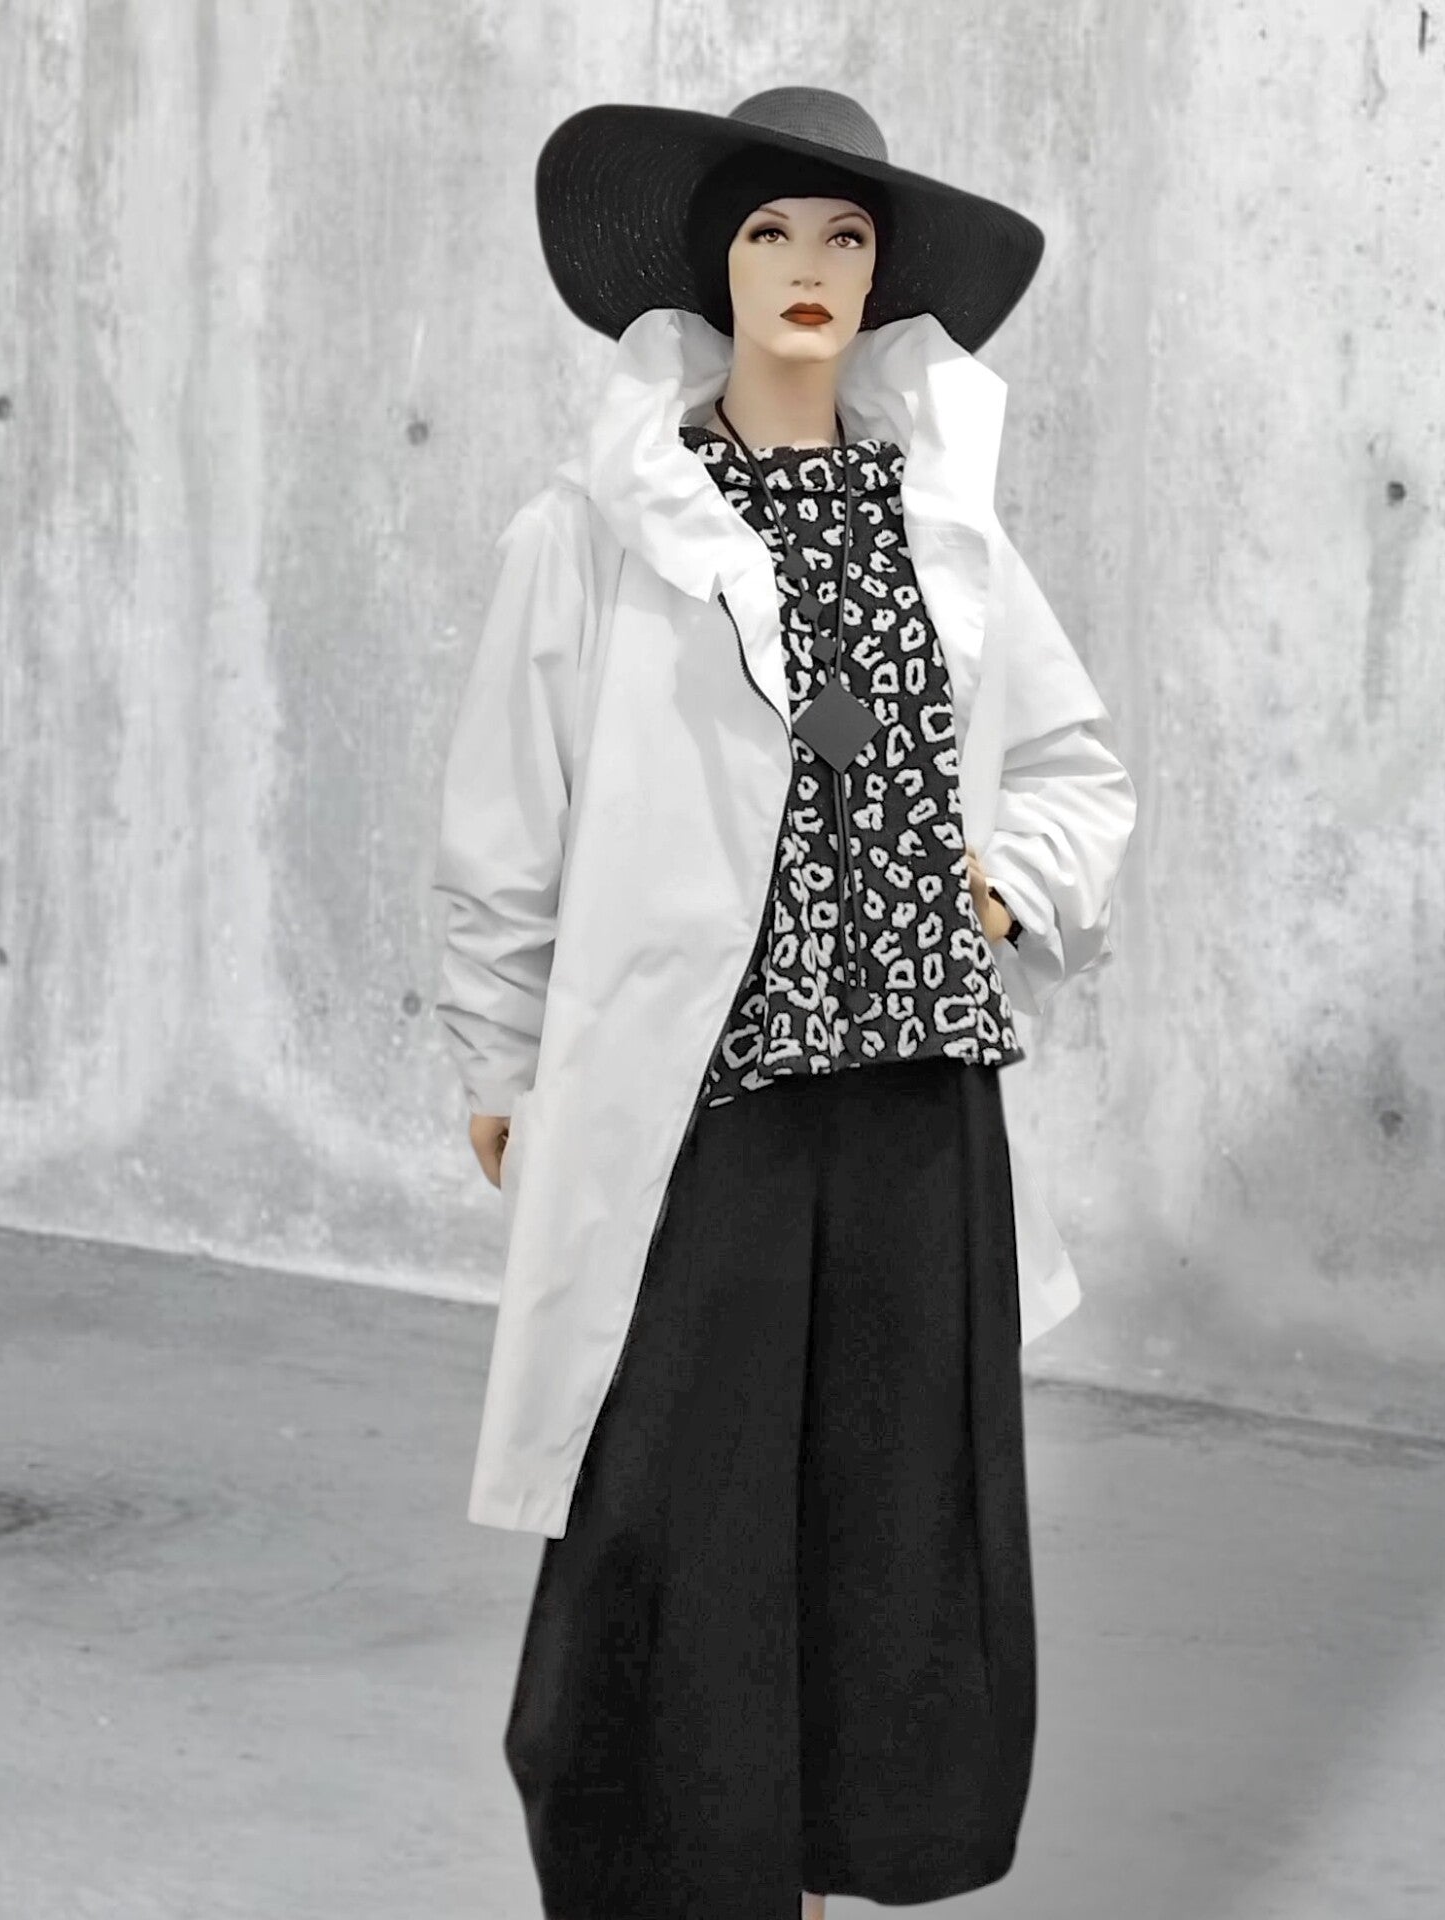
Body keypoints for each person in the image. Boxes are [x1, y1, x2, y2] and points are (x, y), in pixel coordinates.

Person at [431, 85, 1137, 1919]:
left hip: (918, 1101)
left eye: (844, 238)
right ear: (715, 270)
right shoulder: (599, 532)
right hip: (711, 1107)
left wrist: (1001, 885)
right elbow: (509, 821)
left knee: (889, 1526)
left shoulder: (941, 524)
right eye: (769, 235)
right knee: (673, 1507)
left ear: (879, 278)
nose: (809, 269)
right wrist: (501, 1054)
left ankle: (823, 1875)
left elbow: (1074, 768)